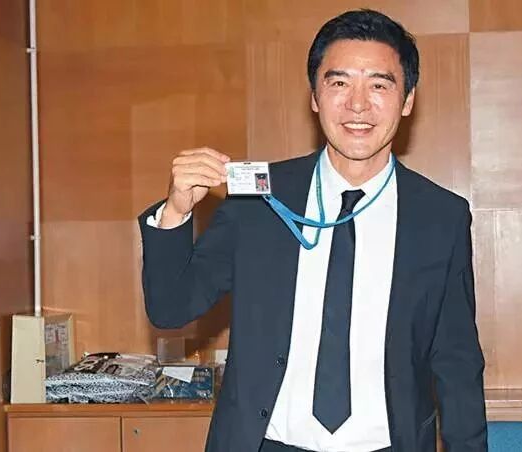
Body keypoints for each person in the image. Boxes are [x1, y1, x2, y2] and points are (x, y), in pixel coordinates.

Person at [138, 9, 486, 452]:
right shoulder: (259, 200)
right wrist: (176, 210)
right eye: (339, 83)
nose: (358, 104)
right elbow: (170, 309)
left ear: (407, 100)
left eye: (379, 85)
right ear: (315, 97)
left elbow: (457, 363)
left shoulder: (441, 217)